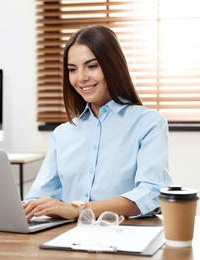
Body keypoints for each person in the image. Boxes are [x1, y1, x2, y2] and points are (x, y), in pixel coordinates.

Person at [23, 24, 172, 221]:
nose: (82, 78)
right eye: (72, 70)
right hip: (67, 239)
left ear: (113, 65)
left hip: (123, 237)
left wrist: (78, 210)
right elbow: (38, 198)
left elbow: (151, 193)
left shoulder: (149, 123)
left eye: (92, 66)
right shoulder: (63, 134)